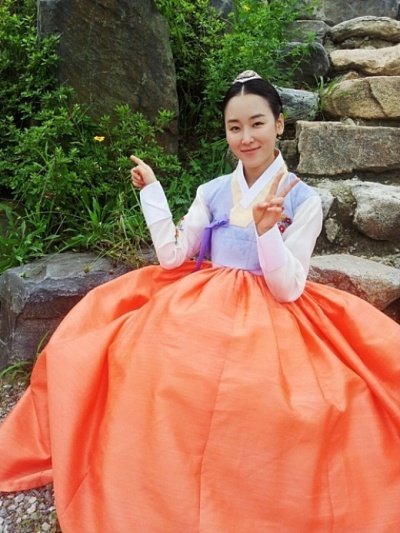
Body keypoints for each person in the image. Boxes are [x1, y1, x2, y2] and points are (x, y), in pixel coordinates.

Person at [0, 70, 399, 532]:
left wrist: (266, 233)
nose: (246, 138)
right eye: (235, 127)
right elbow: (172, 255)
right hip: (202, 301)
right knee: (148, 364)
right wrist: (152, 193)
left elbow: (288, 288)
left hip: (274, 311)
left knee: (286, 403)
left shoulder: (303, 199)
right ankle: (157, 483)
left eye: (257, 123)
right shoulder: (212, 191)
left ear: (280, 124)